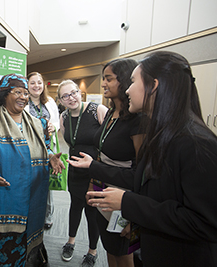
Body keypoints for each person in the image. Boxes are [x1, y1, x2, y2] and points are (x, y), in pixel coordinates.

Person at [79, 51, 217, 267]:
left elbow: (210, 224)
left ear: (153, 85)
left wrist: (129, 203)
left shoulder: (196, 143)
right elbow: (157, 194)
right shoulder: (162, 135)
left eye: (132, 82)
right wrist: (140, 220)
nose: (128, 90)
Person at [0, 73, 64, 266]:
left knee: (26, 253)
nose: (23, 97)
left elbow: (45, 147)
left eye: (26, 93)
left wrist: (51, 157)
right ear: (4, 95)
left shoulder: (39, 124)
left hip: (32, 202)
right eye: (17, 92)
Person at [82, 58, 140, 267]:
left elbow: (142, 171)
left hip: (124, 197)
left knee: (124, 255)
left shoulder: (137, 119)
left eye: (109, 79)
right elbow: (100, 153)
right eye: (104, 78)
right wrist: (92, 185)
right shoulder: (110, 113)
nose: (103, 83)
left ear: (124, 81)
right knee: (110, 249)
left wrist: (134, 213)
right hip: (103, 192)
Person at [58, 80, 108, 267]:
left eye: (74, 93)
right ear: (61, 100)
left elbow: (109, 143)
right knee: (75, 206)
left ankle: (92, 251)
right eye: (66, 96)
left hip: (95, 171)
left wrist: (99, 167)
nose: (71, 98)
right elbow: (70, 143)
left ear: (80, 92)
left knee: (92, 211)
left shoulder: (98, 110)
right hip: (75, 171)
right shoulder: (64, 117)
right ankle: (70, 242)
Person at [24, 71, 60, 229]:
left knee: (46, 182)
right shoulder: (23, 101)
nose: (36, 86)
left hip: (48, 148)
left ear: (43, 85)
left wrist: (53, 126)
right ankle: (29, 213)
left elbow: (57, 123)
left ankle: (47, 216)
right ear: (27, 85)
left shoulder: (50, 102)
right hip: (29, 149)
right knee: (30, 182)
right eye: (32, 83)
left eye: (39, 82)